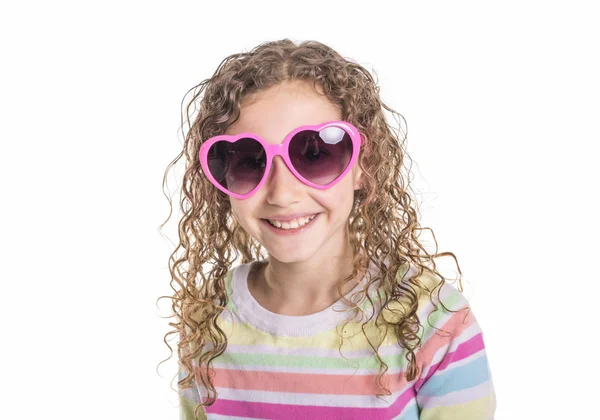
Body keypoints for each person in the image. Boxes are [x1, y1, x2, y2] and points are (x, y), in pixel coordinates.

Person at [162, 39, 496, 419]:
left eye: (315, 154)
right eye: (248, 161)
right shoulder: (209, 317)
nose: (283, 194)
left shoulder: (435, 321)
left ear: (361, 165)